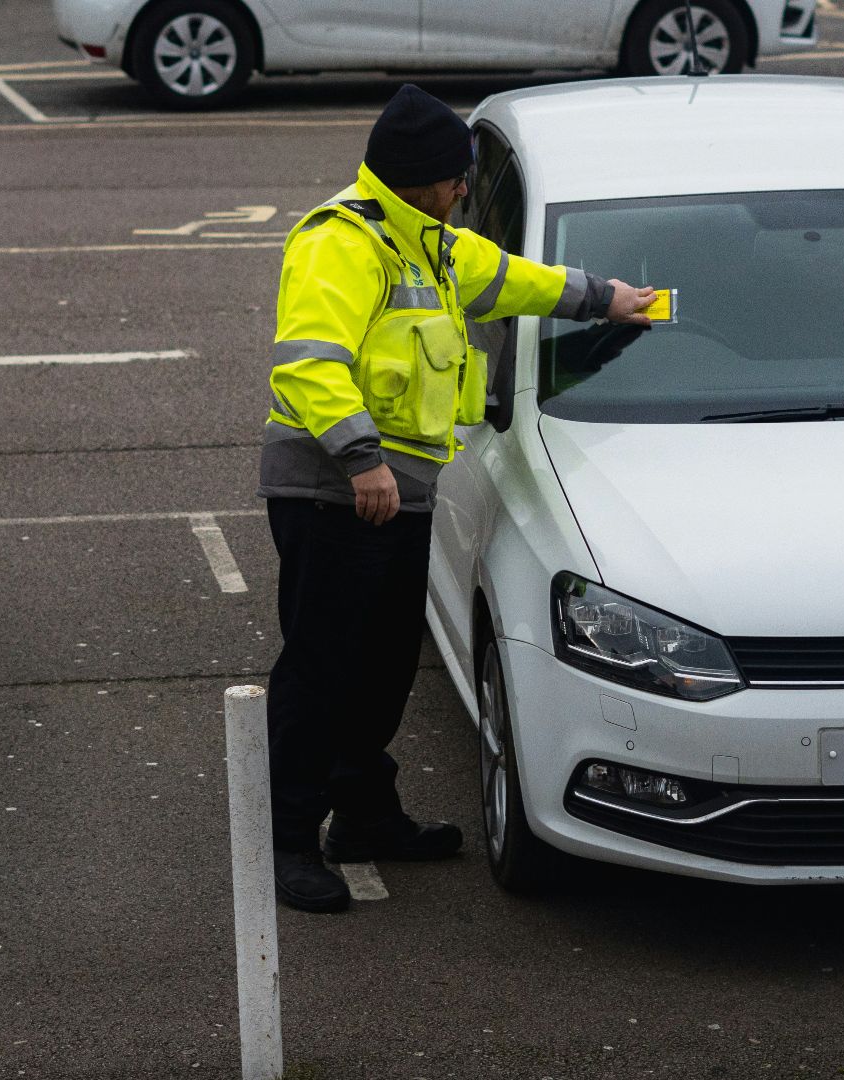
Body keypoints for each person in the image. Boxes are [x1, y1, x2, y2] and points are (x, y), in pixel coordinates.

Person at [257, 84, 656, 913]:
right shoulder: (342, 244)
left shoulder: (430, 242)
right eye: (455, 178)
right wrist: (360, 460)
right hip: (335, 494)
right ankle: (289, 841)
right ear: (414, 180)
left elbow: (511, 278)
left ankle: (364, 816)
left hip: (396, 495)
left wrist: (606, 298)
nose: (466, 190)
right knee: (321, 670)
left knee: (381, 670)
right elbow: (308, 364)